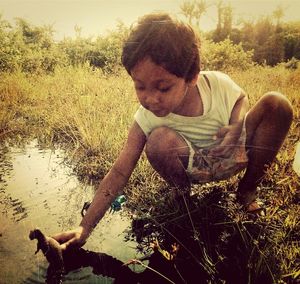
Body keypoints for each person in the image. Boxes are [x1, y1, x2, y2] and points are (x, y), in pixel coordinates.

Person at [53, 13, 293, 250]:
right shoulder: (146, 118)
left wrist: (236, 126)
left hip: (233, 153)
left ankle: (247, 190)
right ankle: (183, 196)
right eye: (140, 86)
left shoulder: (217, 84)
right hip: (194, 167)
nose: (150, 98)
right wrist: (84, 228)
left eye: (163, 87)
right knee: (158, 141)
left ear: (192, 77)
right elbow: (118, 171)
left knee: (277, 103)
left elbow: (241, 97)